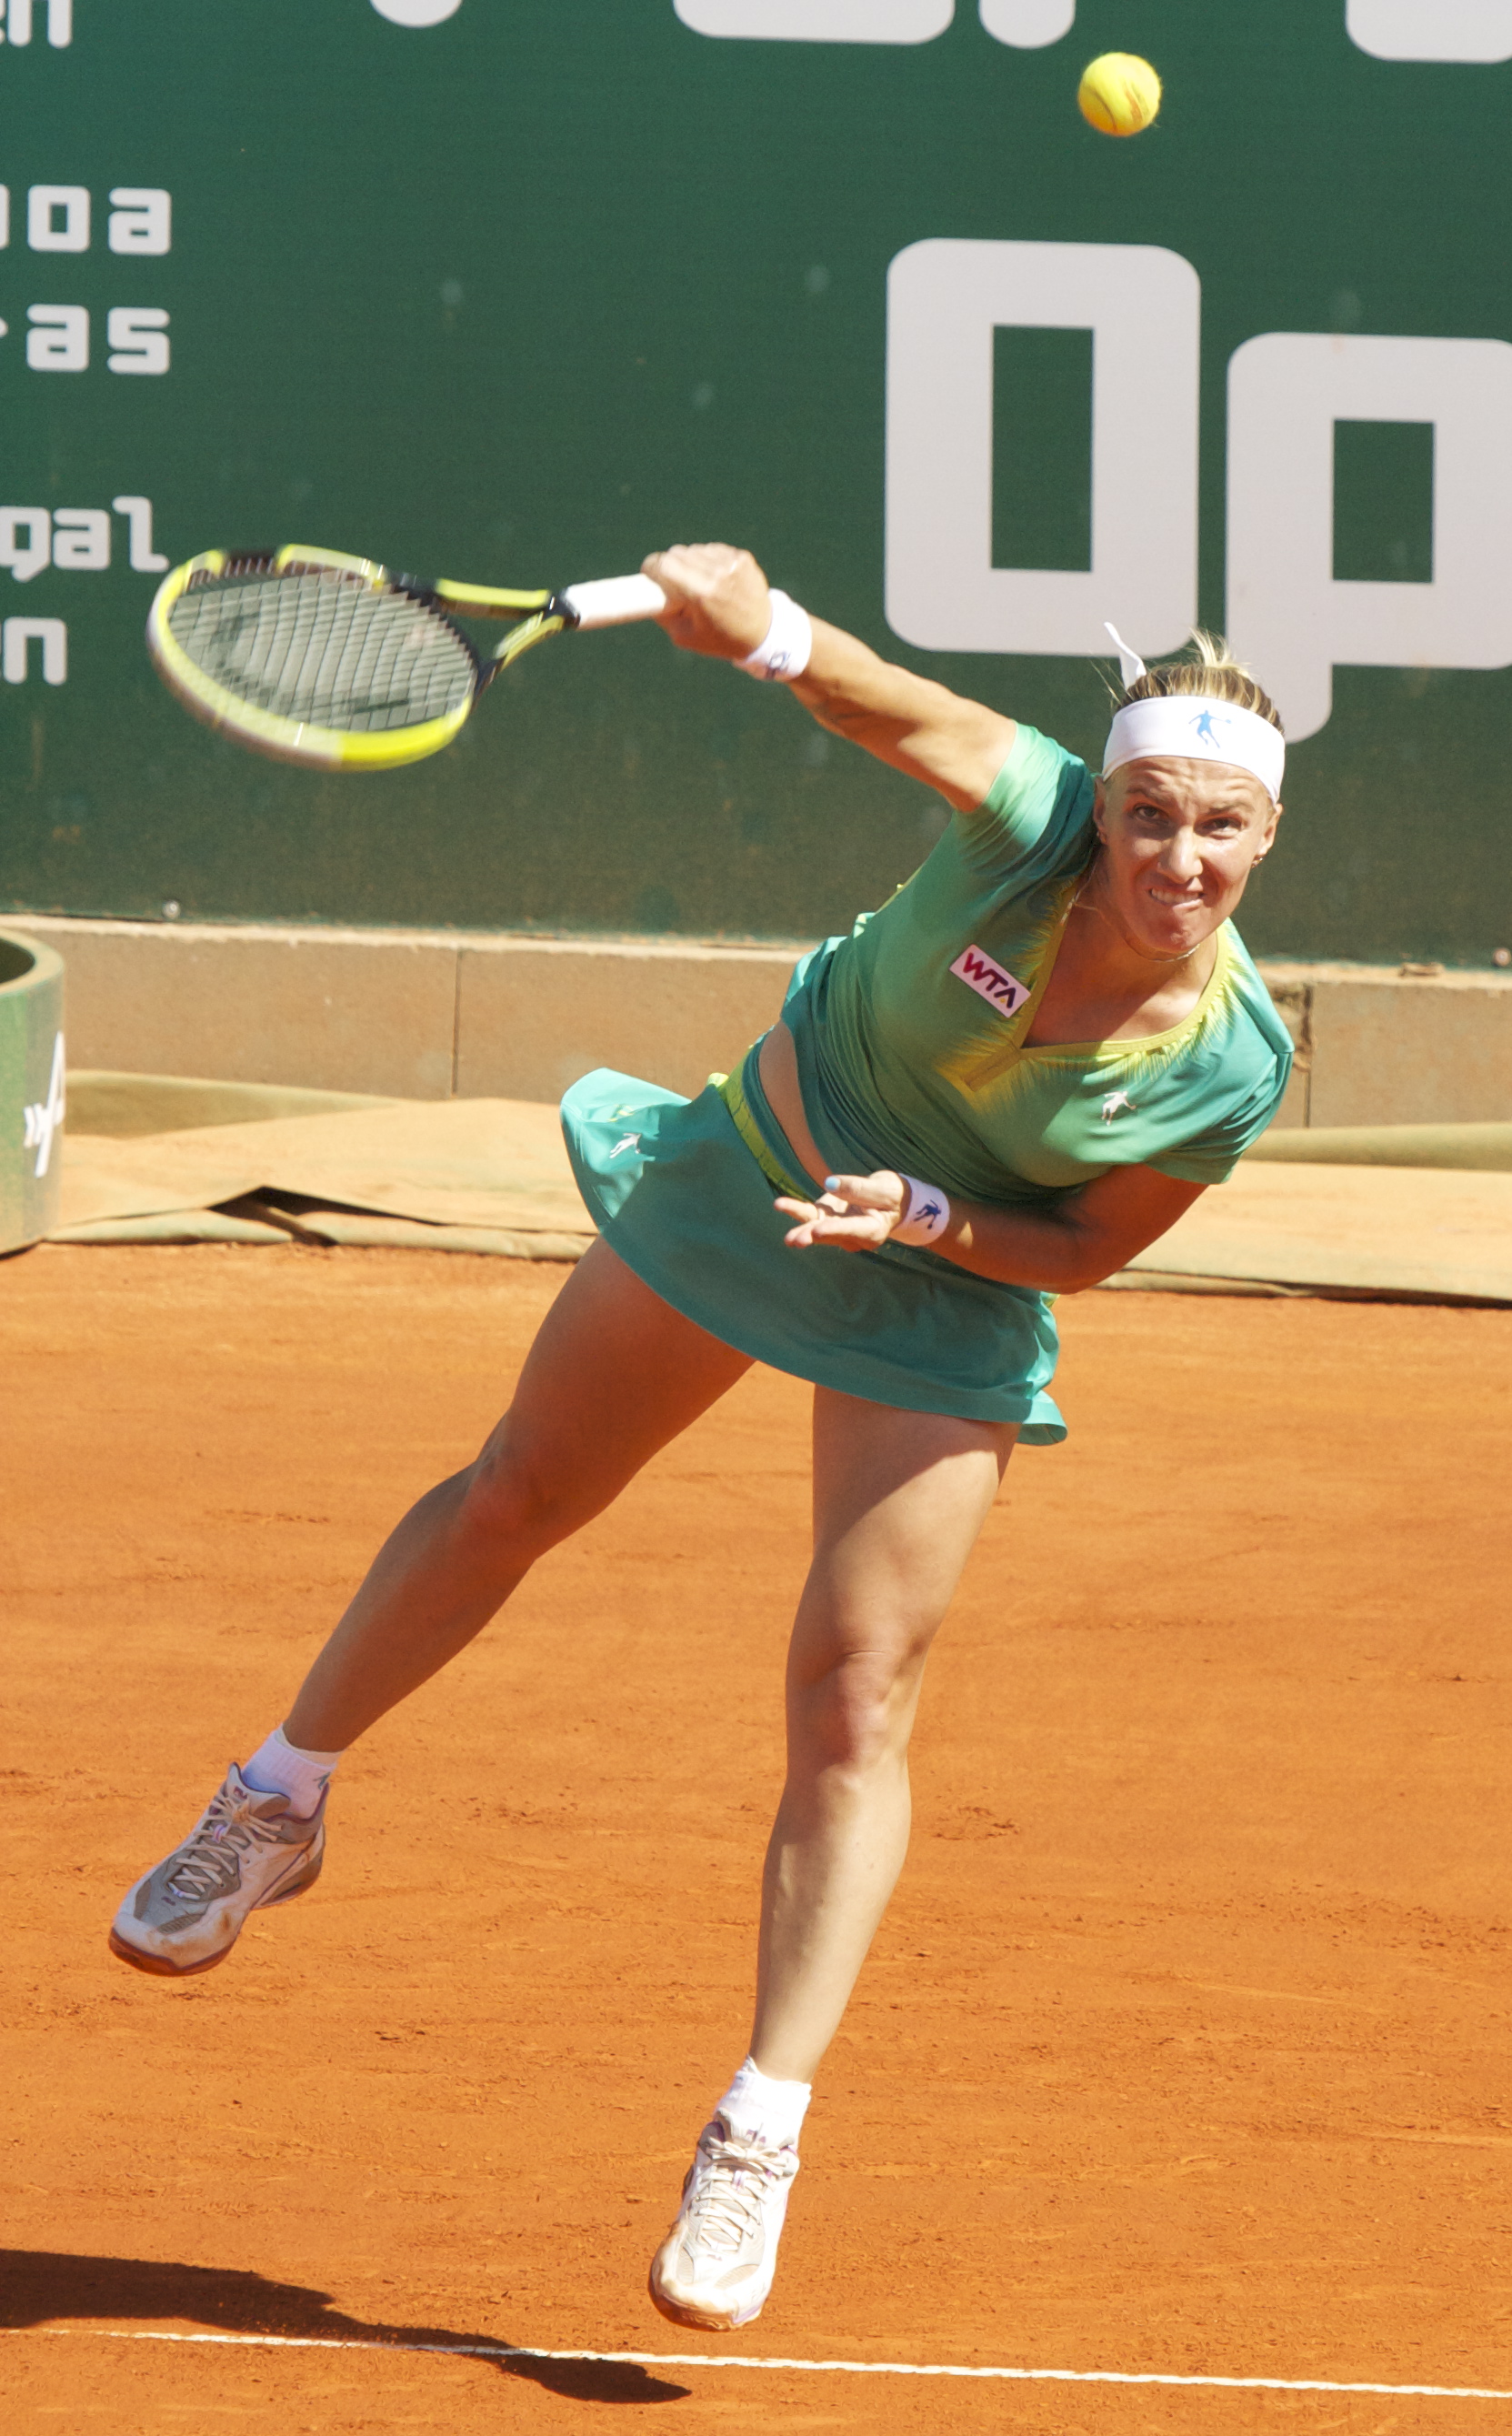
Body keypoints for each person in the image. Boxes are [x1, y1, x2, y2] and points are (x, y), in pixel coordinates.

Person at [109, 543, 1292, 2333]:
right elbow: (874, 698)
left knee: (857, 1691)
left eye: (1218, 827)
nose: (1176, 857)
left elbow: (1079, 1251)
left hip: (940, 1282)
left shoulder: (1230, 1061)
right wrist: (763, 628)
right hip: (750, 1171)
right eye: (1149, 814)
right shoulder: (1030, 813)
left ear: (1266, 837)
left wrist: (928, 1219)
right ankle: (275, 1799)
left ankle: (758, 2129)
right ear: (1104, 803)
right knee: (519, 1491)